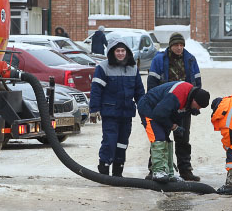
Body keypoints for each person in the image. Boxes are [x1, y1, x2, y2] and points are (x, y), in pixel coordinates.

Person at [146, 32, 202, 181]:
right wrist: (153, 104)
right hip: (164, 106)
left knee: (183, 139)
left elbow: (197, 83)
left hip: (183, 106)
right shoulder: (159, 60)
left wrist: (195, 104)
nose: (179, 48)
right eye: (176, 45)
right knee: (160, 138)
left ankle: (185, 170)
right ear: (170, 46)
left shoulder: (190, 60)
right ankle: (155, 169)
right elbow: (152, 84)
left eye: (181, 45)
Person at [89, 36, 145, 177]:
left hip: (126, 113)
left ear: (127, 52)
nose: (120, 53)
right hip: (110, 113)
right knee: (110, 141)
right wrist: (94, 109)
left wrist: (145, 109)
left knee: (122, 143)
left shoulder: (133, 68)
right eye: (118, 51)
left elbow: (139, 92)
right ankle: (104, 168)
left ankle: (118, 171)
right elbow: (96, 90)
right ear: (112, 52)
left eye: (123, 50)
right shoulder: (103, 68)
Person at [137, 81, 210, 183]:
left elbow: (175, 113)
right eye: (198, 106)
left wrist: (179, 121)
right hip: (149, 108)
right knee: (159, 138)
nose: (198, 109)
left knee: (166, 139)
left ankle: (168, 172)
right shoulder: (176, 95)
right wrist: (173, 126)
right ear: (194, 99)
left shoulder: (189, 97)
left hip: (162, 111)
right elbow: (158, 114)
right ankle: (157, 172)